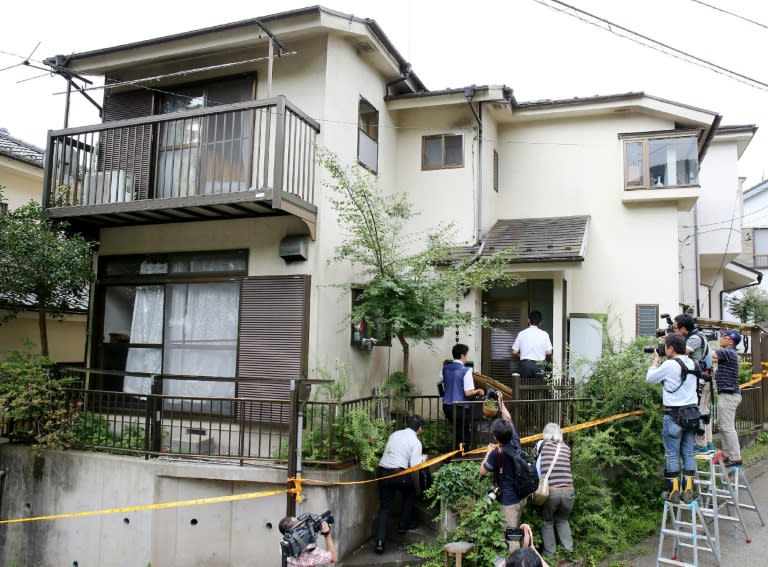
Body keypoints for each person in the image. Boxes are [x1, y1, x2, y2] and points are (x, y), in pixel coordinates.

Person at [646, 333, 699, 504]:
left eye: (665, 346)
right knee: (689, 454)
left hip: (674, 416)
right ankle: (688, 491)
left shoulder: (669, 364)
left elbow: (650, 378)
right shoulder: (693, 362)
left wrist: (655, 360)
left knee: (672, 454)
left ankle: (673, 493)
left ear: (670, 348)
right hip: (692, 415)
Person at [374, 415, 425, 554]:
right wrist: (423, 459)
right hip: (399, 474)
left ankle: (379, 542)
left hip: (383, 472)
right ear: (420, 429)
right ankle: (403, 525)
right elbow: (414, 466)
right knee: (410, 493)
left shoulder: (395, 434)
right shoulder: (416, 442)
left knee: (385, 508)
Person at [480, 417, 527, 552]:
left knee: (512, 539)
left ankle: (517, 561)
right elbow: (509, 418)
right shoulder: (515, 441)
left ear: (495, 437)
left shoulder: (496, 453)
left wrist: (487, 453)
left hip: (509, 501)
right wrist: (501, 401)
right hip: (521, 496)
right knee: (514, 530)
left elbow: (482, 471)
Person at [673, 313, 714, 453]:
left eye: (676, 329)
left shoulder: (695, 338)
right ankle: (708, 443)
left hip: (702, 379)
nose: (675, 331)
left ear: (684, 328)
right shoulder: (698, 335)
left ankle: (700, 444)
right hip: (705, 377)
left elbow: (683, 352)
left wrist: (670, 343)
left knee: (698, 411)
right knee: (704, 410)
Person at [533, 423, 574, 558]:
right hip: (569, 491)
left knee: (547, 521)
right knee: (563, 520)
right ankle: (568, 552)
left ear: (545, 434)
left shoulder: (541, 445)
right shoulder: (567, 448)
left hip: (552, 492)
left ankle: (550, 555)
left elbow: (534, 460)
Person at [441, 343, 484, 449]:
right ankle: (459, 455)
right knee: (463, 433)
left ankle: (453, 453)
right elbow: (468, 393)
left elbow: (441, 383)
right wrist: (478, 390)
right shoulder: (466, 371)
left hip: (447, 406)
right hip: (460, 407)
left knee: (457, 430)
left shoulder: (445, 369)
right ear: (463, 355)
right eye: (467, 355)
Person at [712, 329, 743, 467]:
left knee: (727, 427)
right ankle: (727, 455)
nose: (721, 338)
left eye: (724, 336)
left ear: (730, 341)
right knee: (722, 426)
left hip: (729, 395)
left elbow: (711, 354)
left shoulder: (728, 352)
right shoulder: (729, 354)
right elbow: (711, 358)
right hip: (727, 395)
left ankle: (735, 457)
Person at [512, 310, 553, 381]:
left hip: (525, 365)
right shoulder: (544, 334)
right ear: (540, 323)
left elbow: (514, 352)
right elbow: (549, 352)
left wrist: (521, 356)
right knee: (538, 389)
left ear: (528, 320)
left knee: (523, 388)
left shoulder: (521, 333)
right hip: (539, 366)